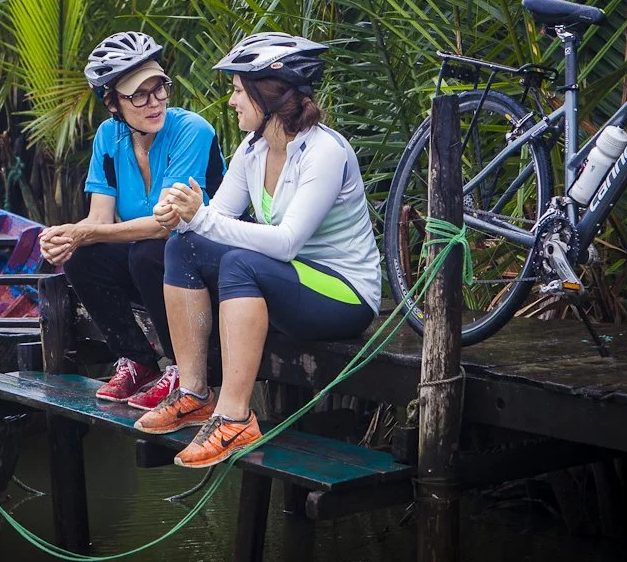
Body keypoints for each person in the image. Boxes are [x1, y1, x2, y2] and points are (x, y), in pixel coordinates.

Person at [135, 32, 381, 468]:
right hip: (290, 283)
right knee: (183, 248)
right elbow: (214, 219)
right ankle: (194, 393)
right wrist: (179, 212)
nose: (231, 102)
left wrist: (203, 217)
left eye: (237, 90)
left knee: (239, 264)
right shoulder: (254, 148)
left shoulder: (324, 152)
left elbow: (287, 242)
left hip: (344, 297)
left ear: (268, 94)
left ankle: (235, 417)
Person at [39, 31, 222, 408]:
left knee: (151, 251)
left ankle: (182, 369)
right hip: (156, 270)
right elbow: (99, 220)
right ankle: (138, 361)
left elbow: (166, 224)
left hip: (210, 267)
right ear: (112, 102)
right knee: (82, 257)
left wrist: (82, 232)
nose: (154, 103)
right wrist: (67, 239)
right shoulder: (109, 137)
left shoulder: (192, 130)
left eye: (160, 89)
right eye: (139, 94)